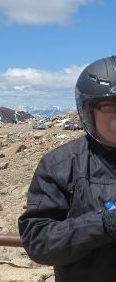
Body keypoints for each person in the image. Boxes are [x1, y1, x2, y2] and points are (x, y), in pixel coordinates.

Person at [18, 55, 116, 281]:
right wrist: (103, 223)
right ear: (88, 112)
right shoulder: (61, 165)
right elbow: (38, 241)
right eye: (109, 106)